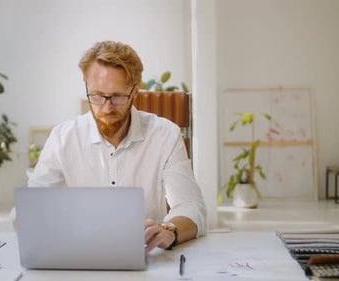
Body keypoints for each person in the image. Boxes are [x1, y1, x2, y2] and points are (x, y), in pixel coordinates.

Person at [26, 40, 206, 251]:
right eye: (97, 95)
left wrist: (170, 230)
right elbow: (32, 207)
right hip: (78, 253)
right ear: (86, 87)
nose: (106, 107)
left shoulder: (165, 135)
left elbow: (192, 207)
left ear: (135, 90)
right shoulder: (63, 137)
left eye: (118, 96)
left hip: (147, 256)